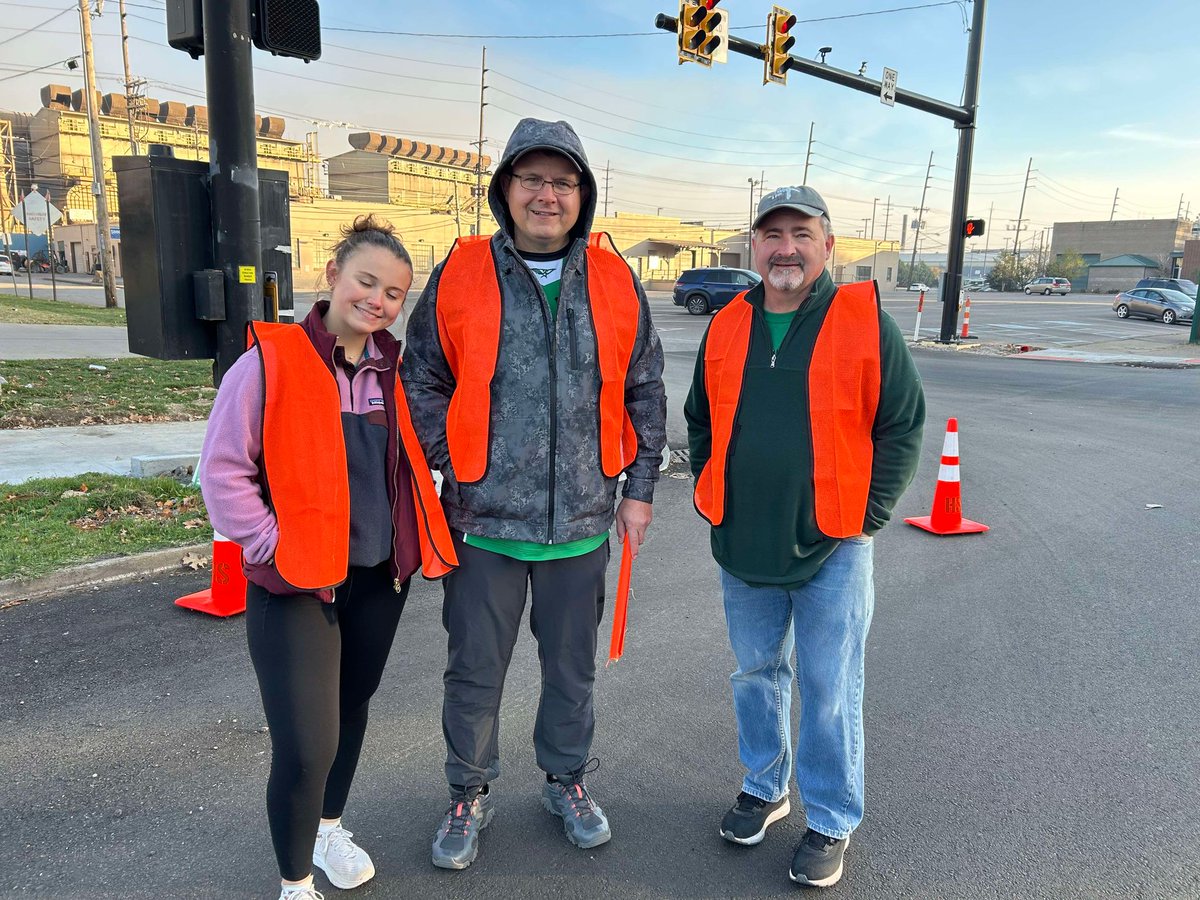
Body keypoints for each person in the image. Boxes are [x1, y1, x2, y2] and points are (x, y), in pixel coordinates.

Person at [402, 117, 666, 870]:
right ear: (505, 191)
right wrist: (454, 460)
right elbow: (422, 374)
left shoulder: (615, 279)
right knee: (475, 671)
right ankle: (467, 792)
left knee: (572, 672)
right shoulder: (460, 271)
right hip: (482, 525)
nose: (547, 195)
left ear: (582, 194)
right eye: (532, 179)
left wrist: (639, 490)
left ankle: (567, 780)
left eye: (563, 181)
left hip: (583, 525)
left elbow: (645, 386)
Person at [200, 215, 457, 899]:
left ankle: (327, 828)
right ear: (332, 277)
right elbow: (223, 471)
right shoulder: (271, 362)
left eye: (394, 293)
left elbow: (409, 463)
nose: (377, 300)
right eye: (366, 281)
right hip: (294, 587)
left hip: (377, 579)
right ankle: (294, 885)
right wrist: (269, 547)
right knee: (307, 743)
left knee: (351, 711)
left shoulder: (391, 369)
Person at [684, 186, 925, 888]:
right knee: (756, 674)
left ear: (827, 245)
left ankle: (830, 818)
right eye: (772, 234)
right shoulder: (728, 322)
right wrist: (710, 488)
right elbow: (701, 417)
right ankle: (765, 786)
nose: (784, 247)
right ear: (755, 246)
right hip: (744, 537)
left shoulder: (862, 320)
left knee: (827, 685)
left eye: (801, 233)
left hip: (835, 545)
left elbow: (903, 424)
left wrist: (868, 515)